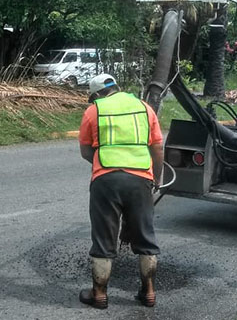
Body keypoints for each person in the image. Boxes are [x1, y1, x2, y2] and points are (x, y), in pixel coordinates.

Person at [78, 73, 164, 309]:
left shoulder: (94, 110)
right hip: (141, 178)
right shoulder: (144, 108)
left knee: (104, 237)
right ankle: (149, 292)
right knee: (145, 235)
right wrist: (156, 178)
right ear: (116, 87)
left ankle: (99, 295)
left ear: (97, 94)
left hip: (106, 180)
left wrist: (106, 166)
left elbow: (86, 151)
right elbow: (157, 147)